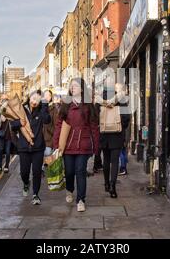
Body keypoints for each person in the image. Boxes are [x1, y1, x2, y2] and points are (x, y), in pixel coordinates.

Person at [53, 78, 100, 212]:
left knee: (80, 171)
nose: (72, 88)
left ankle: (81, 200)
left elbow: (94, 127)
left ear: (82, 88)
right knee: (69, 172)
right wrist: (57, 144)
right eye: (71, 86)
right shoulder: (65, 104)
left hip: (83, 144)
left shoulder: (88, 105)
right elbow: (59, 126)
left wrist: (96, 147)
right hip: (67, 145)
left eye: (75, 86)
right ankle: (69, 189)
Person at [10, 90, 51, 205]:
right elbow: (13, 126)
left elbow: (47, 120)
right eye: (33, 99)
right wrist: (19, 123)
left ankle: (35, 194)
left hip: (38, 147)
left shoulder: (40, 111)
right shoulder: (21, 109)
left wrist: (44, 105)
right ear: (29, 98)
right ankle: (26, 183)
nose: (34, 102)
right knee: (24, 172)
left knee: (37, 172)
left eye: (37, 101)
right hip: (24, 147)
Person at [97, 82, 131, 198]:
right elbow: (126, 118)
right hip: (117, 135)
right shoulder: (121, 100)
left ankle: (106, 183)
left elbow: (95, 117)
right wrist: (121, 127)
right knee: (115, 161)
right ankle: (113, 186)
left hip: (104, 135)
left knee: (106, 160)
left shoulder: (99, 101)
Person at [0, 95, 17, 174]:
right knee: (0, 150)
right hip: (1, 133)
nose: (4, 101)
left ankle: (7, 166)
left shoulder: (11, 110)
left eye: (6, 100)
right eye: (3, 100)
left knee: (8, 151)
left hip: (9, 133)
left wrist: (9, 117)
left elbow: (15, 119)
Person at [42, 90, 60, 173]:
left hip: (49, 138)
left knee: (48, 156)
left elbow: (56, 125)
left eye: (48, 96)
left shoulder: (54, 109)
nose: (46, 97)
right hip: (40, 138)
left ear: (51, 97)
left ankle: (51, 178)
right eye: (44, 95)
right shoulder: (40, 108)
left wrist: (50, 132)